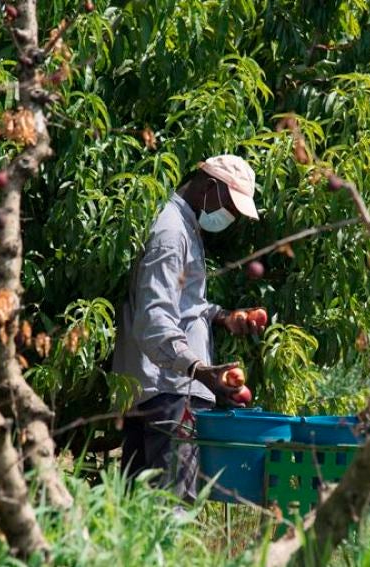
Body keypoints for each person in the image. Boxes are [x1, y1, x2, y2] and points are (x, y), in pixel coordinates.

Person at [115, 154, 266, 502]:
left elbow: (181, 302)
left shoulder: (183, 226)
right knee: (174, 506)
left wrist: (223, 316)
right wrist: (199, 371)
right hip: (169, 389)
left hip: (161, 386)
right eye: (229, 206)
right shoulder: (171, 232)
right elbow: (154, 317)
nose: (229, 218)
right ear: (210, 188)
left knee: (138, 509)